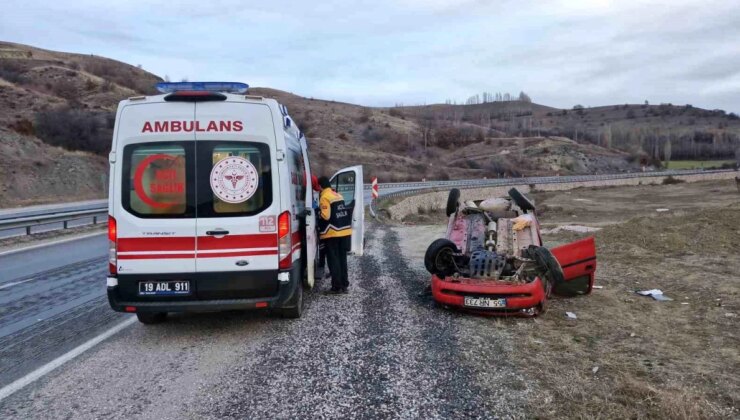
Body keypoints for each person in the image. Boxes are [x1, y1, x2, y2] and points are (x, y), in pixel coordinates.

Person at [317, 176, 352, 294]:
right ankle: (344, 284)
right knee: (342, 259)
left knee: (333, 260)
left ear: (320, 186)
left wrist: (318, 212)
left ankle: (336, 287)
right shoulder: (338, 195)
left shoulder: (324, 197)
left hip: (332, 233)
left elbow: (326, 216)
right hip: (344, 232)